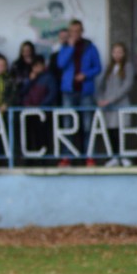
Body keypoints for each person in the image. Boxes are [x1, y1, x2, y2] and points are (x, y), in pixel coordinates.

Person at [56, 19, 102, 167]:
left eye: (78, 31)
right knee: (68, 125)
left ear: (82, 31)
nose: (75, 34)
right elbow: (60, 64)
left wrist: (86, 74)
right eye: (72, 31)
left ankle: (90, 157)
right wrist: (70, 47)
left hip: (85, 92)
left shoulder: (90, 46)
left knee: (88, 125)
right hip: (69, 92)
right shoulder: (65, 47)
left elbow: (98, 67)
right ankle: (66, 157)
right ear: (69, 32)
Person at [96, 42, 135, 167]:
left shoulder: (128, 66)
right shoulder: (108, 68)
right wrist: (100, 99)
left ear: (124, 54)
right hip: (108, 107)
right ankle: (114, 156)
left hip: (121, 104)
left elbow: (127, 86)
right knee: (111, 131)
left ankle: (124, 156)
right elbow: (99, 85)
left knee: (122, 130)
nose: (117, 55)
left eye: (120, 52)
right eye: (115, 52)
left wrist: (111, 99)